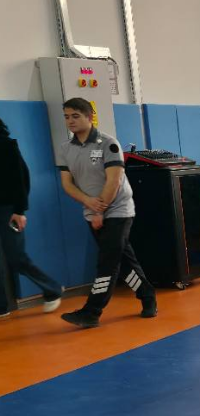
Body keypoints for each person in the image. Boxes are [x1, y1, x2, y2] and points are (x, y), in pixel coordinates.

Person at [56, 98, 157, 328]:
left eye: (75, 116)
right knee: (123, 261)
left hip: (118, 210)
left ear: (89, 116)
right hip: (92, 211)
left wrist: (100, 210)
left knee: (107, 262)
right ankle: (147, 295)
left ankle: (91, 312)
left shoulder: (108, 144)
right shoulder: (65, 149)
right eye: (67, 116)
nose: (70, 121)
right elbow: (67, 184)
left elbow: (114, 181)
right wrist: (89, 203)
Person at [0, 118, 62, 318]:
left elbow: (21, 178)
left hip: (8, 209)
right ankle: (1, 306)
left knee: (16, 257)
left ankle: (52, 289)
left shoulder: (6, 145)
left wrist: (20, 210)